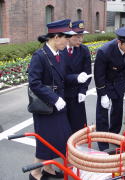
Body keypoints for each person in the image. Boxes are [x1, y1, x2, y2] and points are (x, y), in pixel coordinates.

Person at [28, 19, 76, 180]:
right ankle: (35, 173)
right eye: (65, 37)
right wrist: (54, 98)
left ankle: (47, 168)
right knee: (46, 140)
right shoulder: (39, 56)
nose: (67, 41)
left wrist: (77, 78)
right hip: (46, 107)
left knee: (60, 137)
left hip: (59, 105)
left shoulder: (59, 54)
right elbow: (34, 83)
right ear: (56, 37)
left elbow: (63, 77)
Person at [94, 26, 125, 151]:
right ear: (119, 42)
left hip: (120, 81)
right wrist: (102, 93)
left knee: (118, 111)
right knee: (102, 113)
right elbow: (99, 75)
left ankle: (113, 135)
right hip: (106, 82)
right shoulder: (105, 51)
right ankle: (102, 141)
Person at [62, 20, 92, 133]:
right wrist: (75, 77)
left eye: (82, 36)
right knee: (63, 126)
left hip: (76, 94)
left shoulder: (84, 50)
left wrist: (83, 91)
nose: (81, 40)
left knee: (78, 126)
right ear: (69, 36)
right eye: (77, 36)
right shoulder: (60, 50)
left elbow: (87, 73)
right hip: (63, 93)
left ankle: (78, 149)